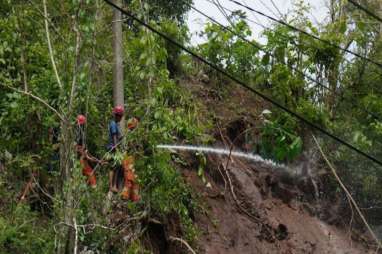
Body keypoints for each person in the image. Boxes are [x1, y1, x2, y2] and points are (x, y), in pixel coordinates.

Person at [76, 114, 103, 188]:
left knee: (86, 175)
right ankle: (94, 189)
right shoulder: (78, 134)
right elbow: (78, 149)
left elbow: (88, 155)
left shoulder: (81, 134)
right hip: (80, 160)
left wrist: (98, 161)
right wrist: (83, 153)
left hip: (82, 158)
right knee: (90, 174)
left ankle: (86, 191)